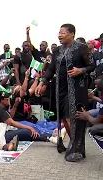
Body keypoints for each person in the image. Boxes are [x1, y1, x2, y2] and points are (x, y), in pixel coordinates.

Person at [35, 23, 95, 162]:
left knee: (73, 116)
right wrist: (43, 82)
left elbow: (92, 66)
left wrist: (81, 70)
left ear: (72, 34)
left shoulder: (81, 48)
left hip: (76, 89)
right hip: (60, 89)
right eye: (59, 33)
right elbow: (51, 69)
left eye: (63, 33)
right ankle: (74, 144)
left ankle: (76, 147)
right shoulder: (57, 51)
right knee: (62, 116)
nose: (59, 35)